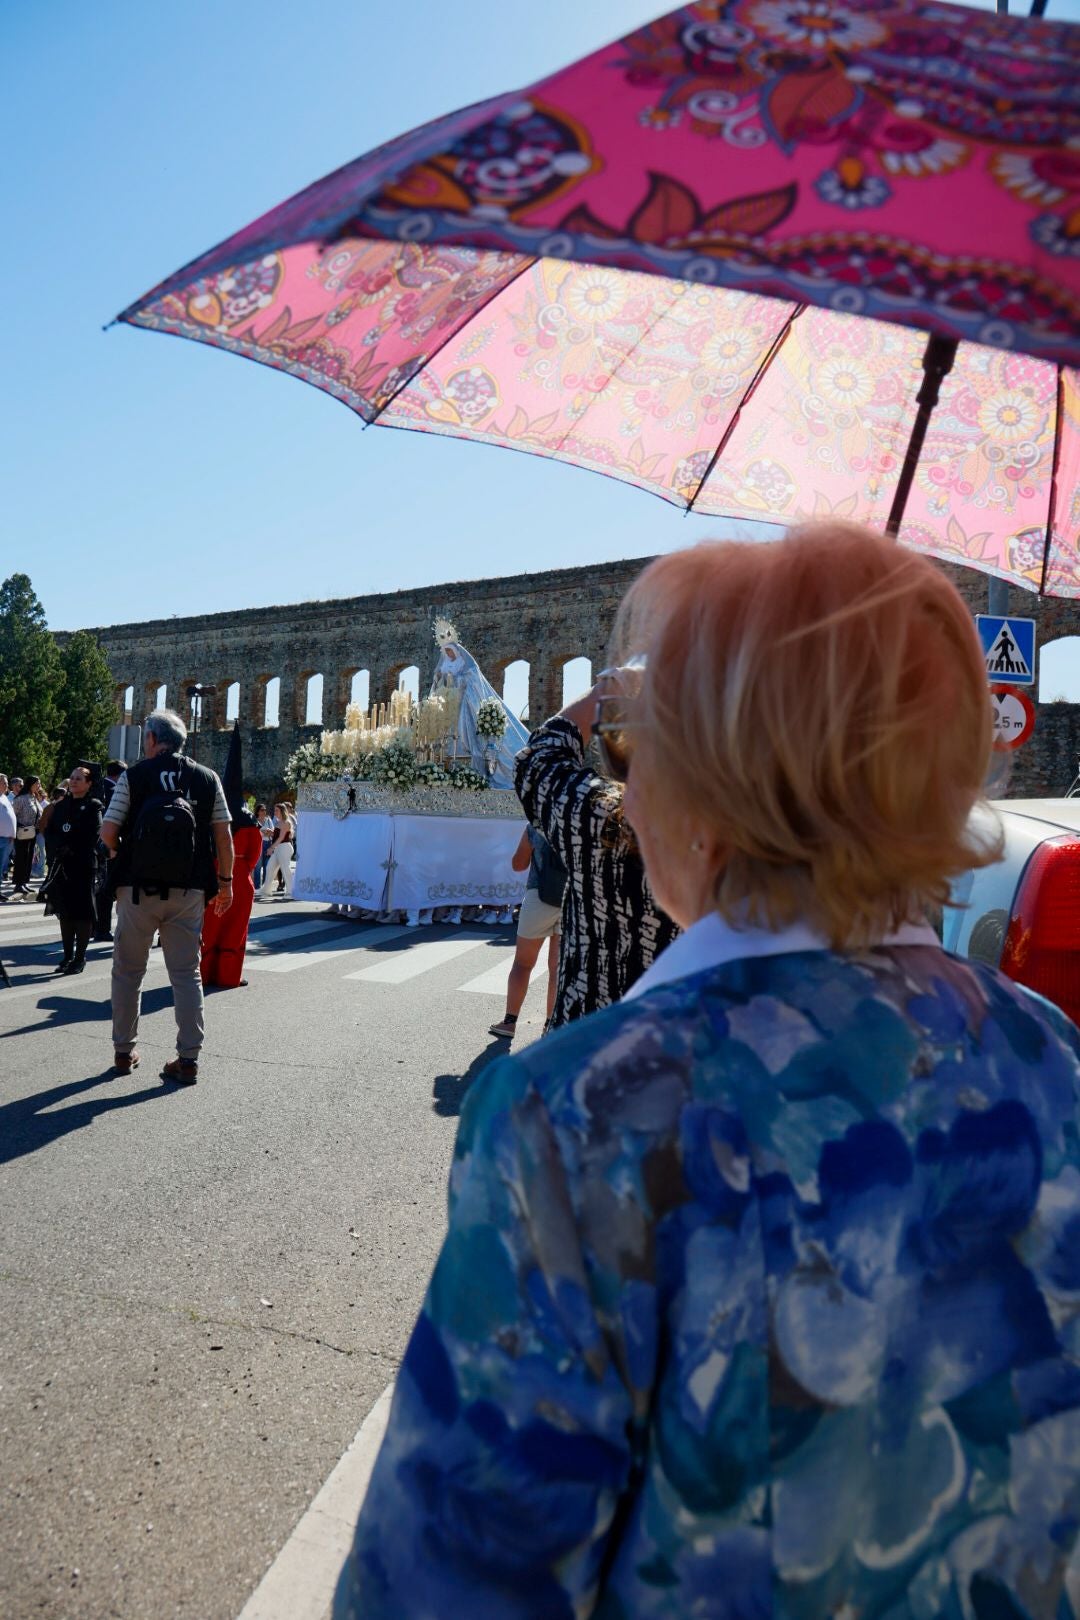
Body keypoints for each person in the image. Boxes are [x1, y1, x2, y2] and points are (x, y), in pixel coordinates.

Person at [336, 523, 1080, 1620]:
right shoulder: (1051, 1059)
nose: (627, 795)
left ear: (721, 786)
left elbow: (444, 1583)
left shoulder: (580, 1118)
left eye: (644, 750)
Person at [514, 683, 678, 1028]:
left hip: (583, 1043)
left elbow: (540, 758)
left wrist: (608, 685)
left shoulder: (594, 817)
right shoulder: (748, 837)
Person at [100, 709, 233, 1083]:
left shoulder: (134, 775)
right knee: (186, 973)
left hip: (137, 888)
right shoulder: (207, 778)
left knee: (128, 971)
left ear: (154, 740)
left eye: (147, 738)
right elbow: (223, 837)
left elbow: (109, 831)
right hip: (189, 888)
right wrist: (226, 883)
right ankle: (188, 1058)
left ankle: (124, 1051)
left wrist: (117, 853)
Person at [488, 824, 564, 1040]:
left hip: (539, 897)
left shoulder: (537, 824)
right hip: (570, 900)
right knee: (557, 969)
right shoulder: (579, 821)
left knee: (523, 964)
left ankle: (509, 1022)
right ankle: (550, 1026)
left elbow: (518, 865)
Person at [201, 723, 262, 989]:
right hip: (239, 877)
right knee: (235, 930)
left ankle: (202, 974)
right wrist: (243, 869)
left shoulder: (211, 816)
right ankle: (228, 976)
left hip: (214, 875)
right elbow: (254, 855)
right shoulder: (249, 821)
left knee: (209, 928)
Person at [39, 765, 102, 975]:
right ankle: (67, 956)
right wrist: (58, 846)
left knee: (82, 913)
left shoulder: (93, 805)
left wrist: (73, 848)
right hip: (62, 865)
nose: (74, 781)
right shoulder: (60, 805)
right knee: (65, 912)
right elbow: (49, 829)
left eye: (79, 779)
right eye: (72, 777)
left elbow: (94, 834)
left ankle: (80, 957)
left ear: (89, 783)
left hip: (82, 865)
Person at [92, 761, 125, 942]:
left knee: (95, 887)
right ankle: (102, 929)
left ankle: (92, 926)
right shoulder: (114, 792)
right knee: (106, 889)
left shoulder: (95, 787)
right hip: (107, 847)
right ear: (120, 776)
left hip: (91, 846)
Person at [10, 777, 42, 899]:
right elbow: (14, 815)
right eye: (37, 783)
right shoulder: (20, 799)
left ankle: (24, 882)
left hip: (33, 833)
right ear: (31, 784)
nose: (39, 785)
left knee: (29, 858)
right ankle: (18, 884)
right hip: (22, 833)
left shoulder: (33, 797)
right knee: (21, 858)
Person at [258, 804, 294, 900]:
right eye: (275, 810)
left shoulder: (286, 823)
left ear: (282, 811)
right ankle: (266, 890)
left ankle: (290, 892)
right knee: (270, 867)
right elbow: (277, 835)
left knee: (285, 869)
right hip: (278, 848)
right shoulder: (278, 823)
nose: (275, 812)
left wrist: (271, 848)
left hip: (285, 847)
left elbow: (282, 837)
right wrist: (271, 832)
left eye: (277, 810)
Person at [0, 776, 15, 899]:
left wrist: (12, 833)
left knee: (1, 866)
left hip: (6, 838)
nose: (7, 786)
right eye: (4, 783)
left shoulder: (4, 797)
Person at [254, 802, 274, 889]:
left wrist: (262, 832)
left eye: (265, 810)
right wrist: (264, 832)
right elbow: (255, 833)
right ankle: (257, 887)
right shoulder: (254, 821)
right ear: (258, 811)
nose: (264, 811)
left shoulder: (269, 820)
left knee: (267, 866)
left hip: (267, 844)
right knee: (257, 867)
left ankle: (266, 887)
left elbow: (272, 833)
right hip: (258, 844)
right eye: (262, 810)